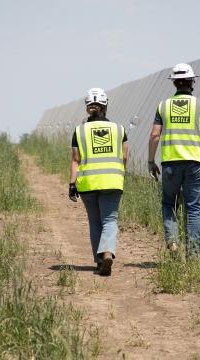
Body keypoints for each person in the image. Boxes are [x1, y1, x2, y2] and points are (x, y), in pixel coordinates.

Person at [148, 63, 200, 257]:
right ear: (192, 81)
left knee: (169, 203)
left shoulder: (163, 106)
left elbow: (154, 136)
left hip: (170, 163)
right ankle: (193, 254)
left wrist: (151, 161)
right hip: (195, 163)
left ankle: (172, 242)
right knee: (193, 209)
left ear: (174, 83)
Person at [69, 88, 128, 276]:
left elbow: (75, 160)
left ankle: (99, 260)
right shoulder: (120, 129)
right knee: (109, 220)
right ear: (105, 106)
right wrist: (119, 174)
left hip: (88, 183)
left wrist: (72, 184)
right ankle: (108, 252)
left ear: (88, 108)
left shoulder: (79, 131)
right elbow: (125, 156)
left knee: (95, 222)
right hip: (112, 181)